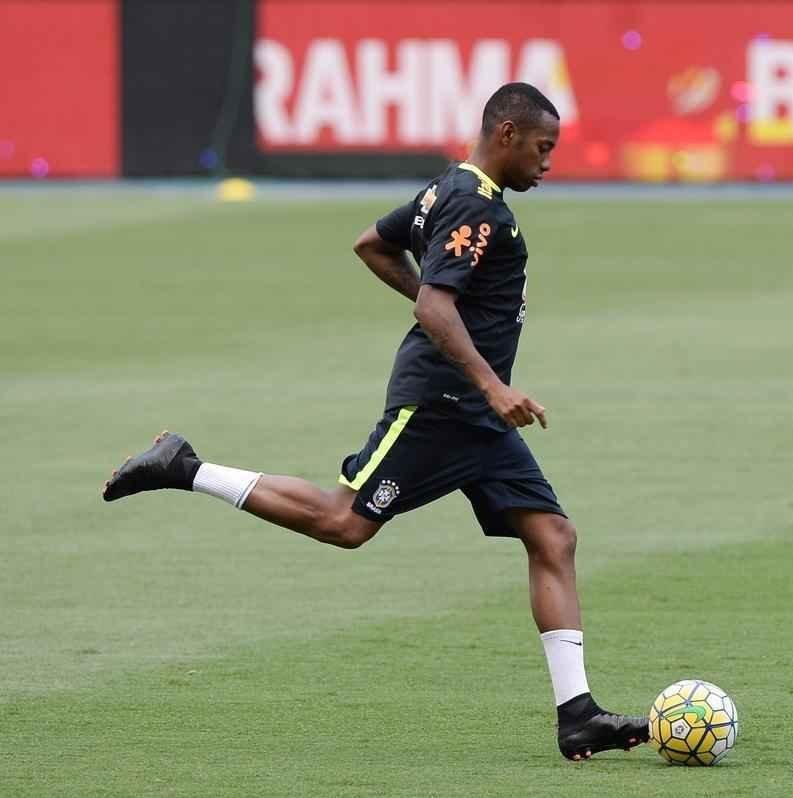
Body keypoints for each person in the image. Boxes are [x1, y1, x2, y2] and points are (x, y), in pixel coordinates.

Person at [102, 82, 648, 762]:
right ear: (506, 134)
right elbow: (434, 308)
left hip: (477, 418)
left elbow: (373, 245)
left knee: (553, 537)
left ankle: (578, 715)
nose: (548, 162)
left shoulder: (447, 189)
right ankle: (183, 467)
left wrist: (468, 354)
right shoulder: (473, 205)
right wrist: (490, 382)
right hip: (442, 406)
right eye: (543, 147)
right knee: (345, 523)